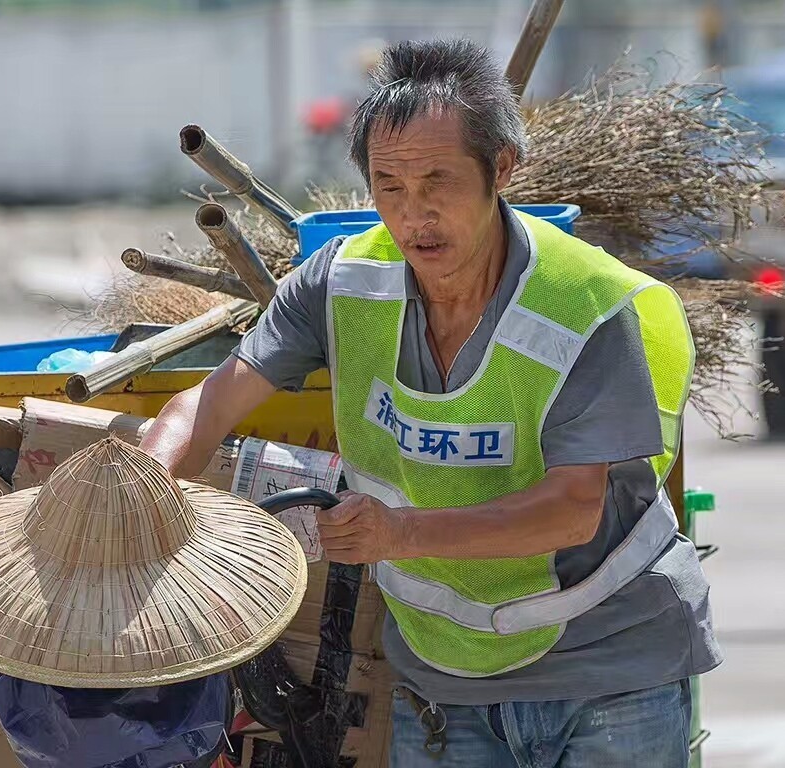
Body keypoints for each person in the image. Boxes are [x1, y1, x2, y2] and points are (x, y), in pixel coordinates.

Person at [139, 38, 721, 768]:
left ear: (502, 169)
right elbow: (210, 405)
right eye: (389, 186)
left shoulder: (587, 310)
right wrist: (143, 487)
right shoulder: (341, 284)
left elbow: (573, 509)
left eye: (438, 180)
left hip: (608, 669)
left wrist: (400, 535)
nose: (414, 216)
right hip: (440, 677)